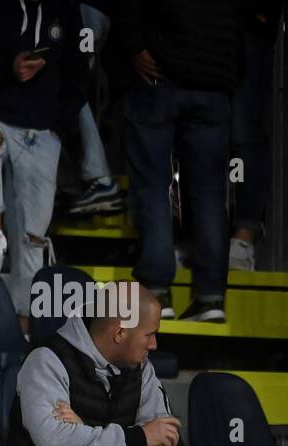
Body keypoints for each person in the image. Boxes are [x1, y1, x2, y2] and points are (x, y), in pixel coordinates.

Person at [0, 0, 88, 326]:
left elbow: (79, 72)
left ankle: (25, 327)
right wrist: (6, 68)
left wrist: (58, 125)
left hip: (42, 130)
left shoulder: (65, 10)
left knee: (32, 240)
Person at [116, 0, 244, 322]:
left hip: (161, 77)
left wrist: (134, 47)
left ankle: (157, 290)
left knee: (153, 186)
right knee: (210, 196)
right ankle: (211, 297)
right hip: (214, 84)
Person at [7, 283, 180, 446]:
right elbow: (52, 439)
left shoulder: (142, 368)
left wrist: (84, 430)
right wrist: (138, 438)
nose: (154, 345)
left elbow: (163, 437)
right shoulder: (46, 361)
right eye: (149, 335)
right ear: (120, 333)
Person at [229, 1, 285, 272]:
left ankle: (243, 236)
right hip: (208, 31)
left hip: (248, 30)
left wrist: (259, 16)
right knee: (203, 133)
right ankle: (198, 237)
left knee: (245, 133)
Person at [63, 3, 127, 217]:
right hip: (89, 14)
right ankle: (75, 181)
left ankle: (99, 180)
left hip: (87, 12)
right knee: (73, 86)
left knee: (72, 85)